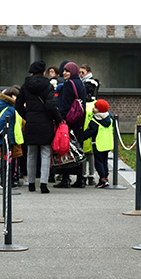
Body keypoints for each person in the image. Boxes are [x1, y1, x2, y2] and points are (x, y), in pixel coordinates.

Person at [16, 60, 62, 193]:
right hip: (46, 123)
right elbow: (51, 105)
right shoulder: (48, 85)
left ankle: (31, 183)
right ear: (43, 72)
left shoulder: (25, 85)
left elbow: (18, 105)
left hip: (31, 123)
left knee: (31, 153)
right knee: (46, 154)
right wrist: (58, 119)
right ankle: (43, 184)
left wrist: (27, 116)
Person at [54, 61, 87, 189]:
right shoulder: (80, 83)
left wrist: (60, 119)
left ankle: (65, 179)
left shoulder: (68, 84)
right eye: (64, 71)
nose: (64, 73)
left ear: (72, 71)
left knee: (66, 148)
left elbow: (65, 104)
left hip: (69, 121)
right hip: (78, 120)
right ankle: (80, 178)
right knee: (78, 149)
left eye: (67, 71)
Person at [0, 86, 21, 188]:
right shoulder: (10, 108)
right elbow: (3, 121)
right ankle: (6, 182)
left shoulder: (3, 105)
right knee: (8, 161)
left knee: (6, 160)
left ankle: (5, 181)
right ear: (12, 96)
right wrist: (7, 136)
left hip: (5, 139)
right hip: (8, 139)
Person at [82, 99, 115, 188]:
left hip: (98, 144)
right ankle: (105, 177)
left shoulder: (95, 120)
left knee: (99, 163)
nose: (93, 108)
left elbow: (90, 132)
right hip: (107, 144)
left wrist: (82, 137)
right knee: (104, 162)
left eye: (96, 107)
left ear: (100, 110)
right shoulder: (110, 119)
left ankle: (102, 179)